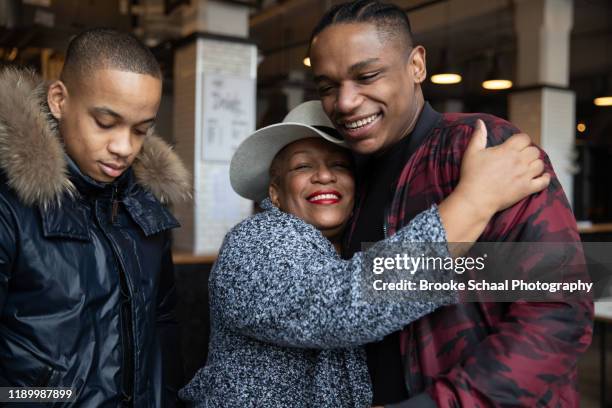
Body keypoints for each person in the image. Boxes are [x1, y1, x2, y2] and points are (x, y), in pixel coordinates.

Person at [308, 1, 594, 407]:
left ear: (416, 66)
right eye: (327, 86)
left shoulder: (480, 148)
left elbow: (557, 308)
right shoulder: (348, 178)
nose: (345, 101)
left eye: (367, 76)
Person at [179, 100, 549, 407]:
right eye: (303, 166)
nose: (324, 176)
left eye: (339, 165)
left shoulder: (351, 248)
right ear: (274, 193)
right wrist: (475, 199)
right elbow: (341, 304)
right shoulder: (255, 241)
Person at [0, 28, 190, 406]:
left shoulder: (146, 210)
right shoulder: (9, 207)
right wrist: (46, 398)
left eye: (140, 130)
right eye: (105, 122)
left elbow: (163, 331)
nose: (123, 148)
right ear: (59, 100)